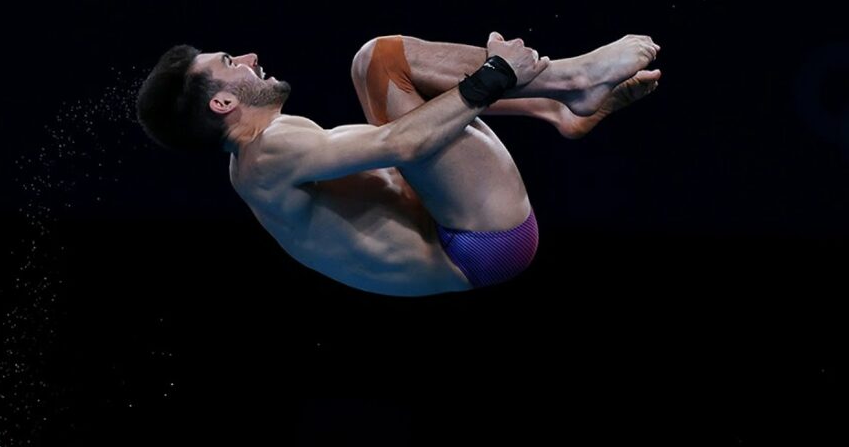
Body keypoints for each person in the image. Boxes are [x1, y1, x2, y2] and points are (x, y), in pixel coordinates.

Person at [137, 32, 661, 296]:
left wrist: (517, 94)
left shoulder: (265, 149)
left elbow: (415, 125)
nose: (248, 58)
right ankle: (571, 80)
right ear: (222, 104)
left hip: (453, 220)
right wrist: (498, 72)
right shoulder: (267, 156)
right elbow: (407, 145)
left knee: (380, 72)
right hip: (475, 241)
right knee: (380, 57)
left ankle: (557, 104)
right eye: (230, 65)